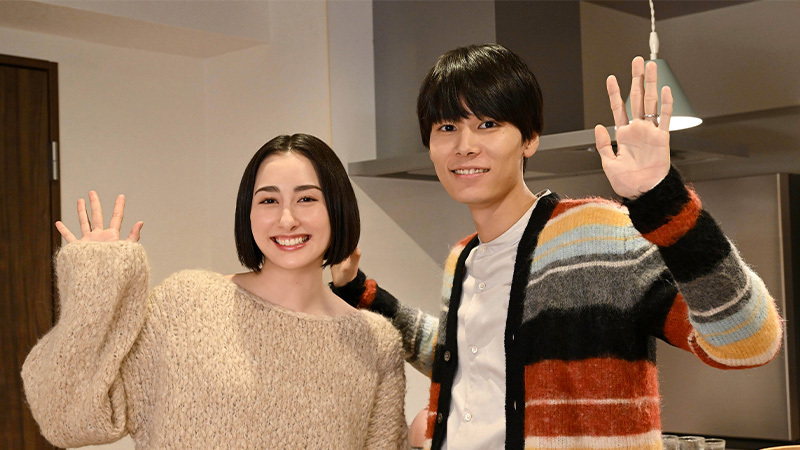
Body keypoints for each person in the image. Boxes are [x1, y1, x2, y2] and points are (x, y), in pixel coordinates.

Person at [331, 44, 783, 450]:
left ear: (529, 139)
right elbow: (467, 358)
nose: (464, 146)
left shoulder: (598, 236)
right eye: (447, 127)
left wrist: (663, 197)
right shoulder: (463, 258)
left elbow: (749, 342)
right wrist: (358, 290)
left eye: (488, 124)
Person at [22, 134, 408, 449]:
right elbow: (67, 419)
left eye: (306, 198)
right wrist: (96, 285)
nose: (287, 219)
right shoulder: (186, 304)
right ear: (248, 214)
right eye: (269, 200)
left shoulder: (375, 344)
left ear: (337, 208)